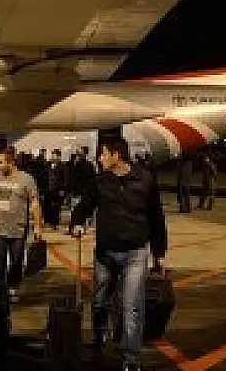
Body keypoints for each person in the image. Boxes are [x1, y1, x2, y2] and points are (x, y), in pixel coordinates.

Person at [70, 137, 167, 371]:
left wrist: (159, 252)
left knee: (132, 306)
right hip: (105, 253)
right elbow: (84, 205)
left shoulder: (144, 180)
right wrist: (77, 223)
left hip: (135, 253)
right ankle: (99, 340)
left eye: (103, 154)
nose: (100, 158)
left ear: (116, 155)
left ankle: (131, 359)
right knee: (99, 302)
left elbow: (156, 216)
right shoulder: (100, 181)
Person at [0, 146, 43, 302]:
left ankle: (13, 287)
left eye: (1, 163)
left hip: (17, 228)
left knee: (16, 261)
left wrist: (38, 226)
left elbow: (35, 203)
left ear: (11, 162)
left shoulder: (27, 179)